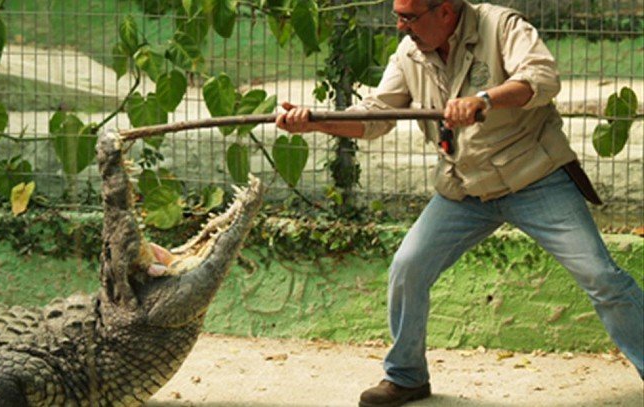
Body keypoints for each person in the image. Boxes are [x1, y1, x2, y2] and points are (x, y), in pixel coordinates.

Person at [275, 0, 644, 406]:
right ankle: (407, 376)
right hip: (465, 188)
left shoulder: (501, 25)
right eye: (398, 15)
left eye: (409, 17)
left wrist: (484, 99)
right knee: (408, 268)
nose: (400, 26)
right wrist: (317, 122)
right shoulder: (410, 52)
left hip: (534, 177)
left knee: (602, 277)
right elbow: (377, 116)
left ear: (446, 11)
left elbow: (543, 78)